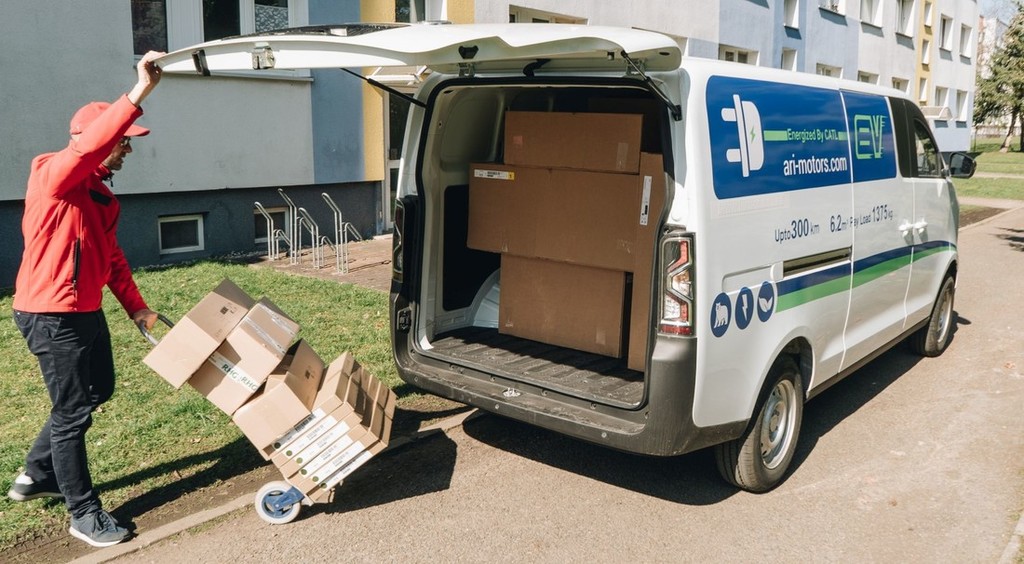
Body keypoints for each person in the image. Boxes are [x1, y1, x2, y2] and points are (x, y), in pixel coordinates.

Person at [6, 50, 165, 548]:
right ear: (97, 139)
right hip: (51, 314)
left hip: (84, 311)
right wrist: (139, 91)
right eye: (124, 140)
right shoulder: (51, 174)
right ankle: (83, 513)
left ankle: (37, 473)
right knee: (72, 413)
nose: (128, 149)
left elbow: (112, 258)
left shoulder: (101, 197)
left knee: (98, 390)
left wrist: (136, 307)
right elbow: (84, 150)